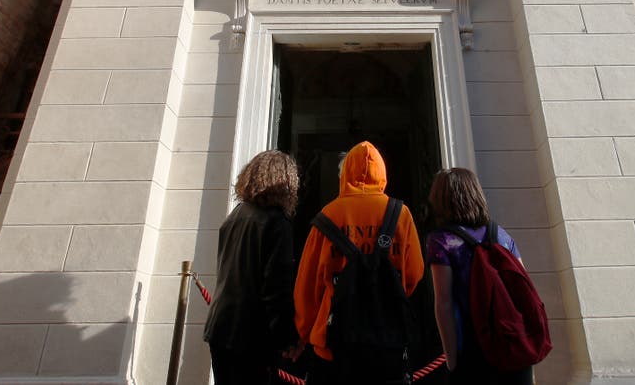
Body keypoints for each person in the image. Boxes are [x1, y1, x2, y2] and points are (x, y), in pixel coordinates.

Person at [294, 141, 425, 385]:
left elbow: (307, 286)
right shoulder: (401, 214)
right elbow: (415, 273)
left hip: (333, 345)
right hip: (388, 342)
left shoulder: (328, 215)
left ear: (344, 175)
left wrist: (304, 334)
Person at [426, 167, 534, 385]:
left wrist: (452, 360)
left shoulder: (442, 241)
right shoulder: (501, 235)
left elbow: (444, 304)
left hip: (474, 351)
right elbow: (525, 289)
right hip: (513, 346)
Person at [204, 150, 301, 385]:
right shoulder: (277, 223)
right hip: (250, 336)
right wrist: (288, 338)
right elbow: (276, 289)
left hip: (220, 328)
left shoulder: (235, 216)